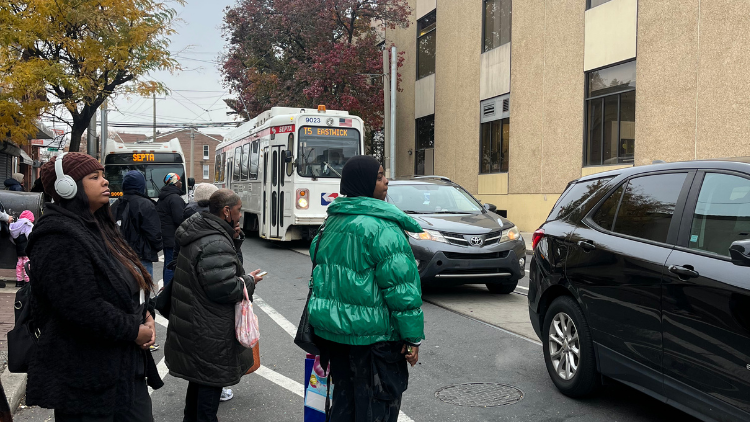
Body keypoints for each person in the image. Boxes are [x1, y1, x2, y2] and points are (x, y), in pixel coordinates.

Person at [26, 152, 161, 421]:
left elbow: (125, 287)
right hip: (87, 380)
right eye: (94, 177)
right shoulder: (58, 237)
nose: (105, 181)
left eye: (103, 175)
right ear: (68, 187)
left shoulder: (99, 227)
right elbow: (81, 308)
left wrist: (146, 314)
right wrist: (134, 330)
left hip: (123, 370)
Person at [307, 155, 425, 422]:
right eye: (380, 176)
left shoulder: (332, 222)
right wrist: (412, 339)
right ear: (364, 182)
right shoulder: (382, 227)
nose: (386, 182)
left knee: (344, 403)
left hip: (334, 336)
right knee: (376, 409)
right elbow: (401, 291)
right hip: (374, 341)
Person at [164, 189, 264, 422]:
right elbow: (225, 288)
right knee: (209, 393)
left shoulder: (203, 232)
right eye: (238, 210)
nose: (240, 215)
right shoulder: (215, 241)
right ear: (226, 211)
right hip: (209, 330)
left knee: (198, 387)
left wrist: (234, 239)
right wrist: (249, 281)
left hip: (196, 322)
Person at [111, 171, 163, 278]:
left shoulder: (115, 205)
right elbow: (154, 233)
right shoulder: (146, 204)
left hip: (119, 257)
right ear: (141, 185)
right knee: (144, 291)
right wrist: (156, 247)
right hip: (141, 257)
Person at [156, 172, 185, 288]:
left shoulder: (164, 197)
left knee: (168, 263)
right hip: (173, 236)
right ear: (174, 183)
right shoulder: (175, 198)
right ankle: (168, 289)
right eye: (179, 181)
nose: (181, 183)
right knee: (171, 264)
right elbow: (180, 218)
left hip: (166, 235)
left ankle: (166, 287)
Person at [9, 210, 33, 287]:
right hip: (26, 247)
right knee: (26, 264)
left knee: (19, 264)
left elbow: (12, 238)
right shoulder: (27, 224)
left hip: (18, 248)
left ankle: (19, 281)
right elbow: (29, 236)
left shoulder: (15, 225)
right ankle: (27, 280)